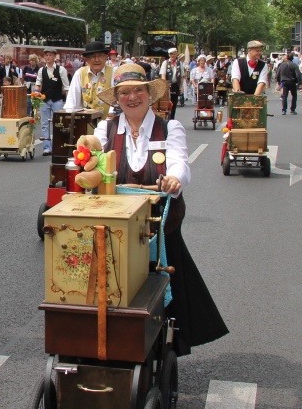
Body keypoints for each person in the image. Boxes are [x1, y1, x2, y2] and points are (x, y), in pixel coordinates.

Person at [93, 63, 228, 356]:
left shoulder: (170, 127)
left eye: (138, 91)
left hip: (159, 227)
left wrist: (174, 179)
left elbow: (180, 162)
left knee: (167, 289)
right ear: (117, 98)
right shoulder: (106, 128)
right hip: (117, 225)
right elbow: (92, 162)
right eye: (124, 92)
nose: (132, 98)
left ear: (148, 94)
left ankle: (163, 340)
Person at [63, 41, 116, 118]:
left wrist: (111, 117)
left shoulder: (113, 72)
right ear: (86, 60)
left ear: (105, 58)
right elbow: (72, 100)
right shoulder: (80, 73)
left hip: (107, 123)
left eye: (100, 56)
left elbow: (116, 100)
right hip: (84, 124)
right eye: (93, 56)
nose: (96, 59)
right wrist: (68, 116)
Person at [34, 47, 70, 155]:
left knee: (58, 124)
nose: (48, 57)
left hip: (57, 100)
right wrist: (36, 92)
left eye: (50, 55)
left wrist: (68, 102)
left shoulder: (61, 70)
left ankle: (58, 146)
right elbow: (38, 83)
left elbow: (66, 87)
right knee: (44, 124)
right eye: (46, 55)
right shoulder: (41, 70)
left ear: (54, 56)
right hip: (44, 100)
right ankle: (47, 147)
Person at [159, 47, 184, 119]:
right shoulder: (165, 63)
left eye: (174, 54)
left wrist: (181, 86)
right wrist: (164, 85)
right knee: (166, 101)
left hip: (175, 84)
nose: (172, 56)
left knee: (174, 102)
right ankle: (166, 116)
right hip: (168, 84)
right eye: (171, 54)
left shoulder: (179, 63)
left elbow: (182, 76)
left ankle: (172, 117)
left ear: (176, 54)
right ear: (169, 55)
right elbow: (163, 74)